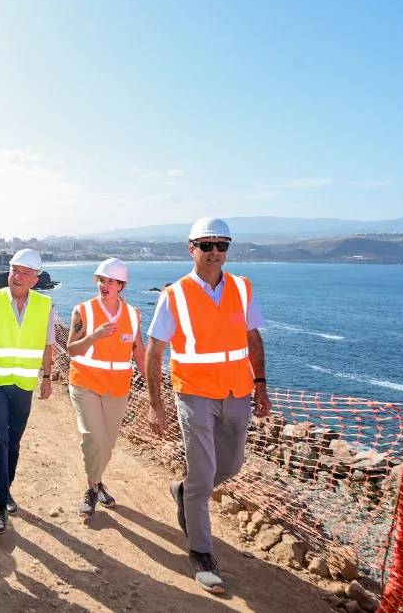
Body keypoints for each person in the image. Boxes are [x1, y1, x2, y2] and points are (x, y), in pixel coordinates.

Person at [144, 217, 271, 594]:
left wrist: (261, 386)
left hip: (237, 393)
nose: (215, 252)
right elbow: (154, 351)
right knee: (203, 475)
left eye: (222, 245)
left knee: (231, 465)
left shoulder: (243, 288)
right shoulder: (175, 295)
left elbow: (253, 339)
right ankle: (201, 553)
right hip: (195, 394)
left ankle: (184, 492)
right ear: (192, 249)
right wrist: (156, 404)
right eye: (206, 245)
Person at [0, 249, 56, 534]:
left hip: (24, 385)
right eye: (15, 270)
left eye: (25, 273)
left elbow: (48, 343)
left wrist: (48, 377)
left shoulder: (44, 305)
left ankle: (6, 487)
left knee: (13, 442)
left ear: (35, 279)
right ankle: (0, 505)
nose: (18, 276)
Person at [66, 258, 146, 517]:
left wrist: (154, 388)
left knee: (108, 443)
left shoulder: (133, 315)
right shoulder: (84, 310)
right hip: (85, 382)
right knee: (94, 437)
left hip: (118, 387)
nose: (104, 285)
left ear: (121, 285)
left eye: (110, 281)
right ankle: (92, 488)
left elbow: (140, 353)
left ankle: (97, 481)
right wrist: (94, 336)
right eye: (101, 280)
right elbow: (71, 349)